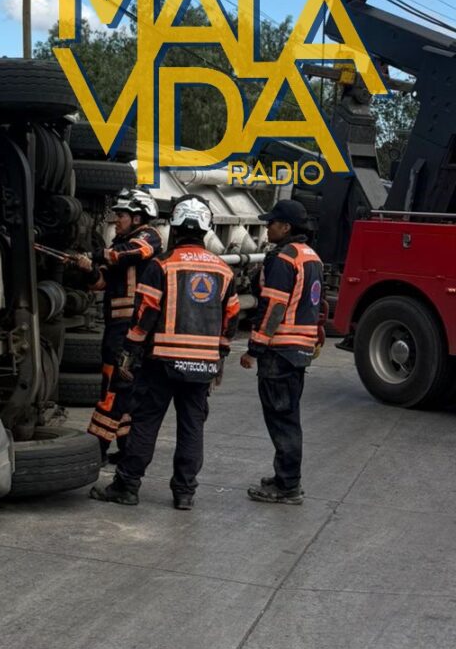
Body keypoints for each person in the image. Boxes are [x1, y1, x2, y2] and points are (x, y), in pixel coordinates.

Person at [92, 195, 240, 511]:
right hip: (202, 365)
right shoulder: (224, 271)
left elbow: (144, 314)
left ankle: (127, 486)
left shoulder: (163, 266)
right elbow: (231, 321)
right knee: (191, 427)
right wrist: (220, 358)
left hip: (160, 362)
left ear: (175, 227)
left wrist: (129, 352)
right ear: (206, 229)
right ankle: (184, 493)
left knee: (146, 423)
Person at [240, 199, 325, 505]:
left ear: (286, 227)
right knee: (286, 414)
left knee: (282, 418)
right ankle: (284, 477)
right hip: (298, 349)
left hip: (280, 350)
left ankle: (288, 485)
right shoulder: (310, 256)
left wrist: (254, 347)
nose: (266, 227)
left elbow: (274, 307)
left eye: (271, 223)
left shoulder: (284, 258)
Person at [76, 189, 163, 469]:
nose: (116, 219)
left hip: (130, 329)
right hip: (116, 328)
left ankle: (95, 448)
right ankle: (126, 448)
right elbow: (100, 284)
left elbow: (137, 252)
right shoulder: (120, 246)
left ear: (138, 217)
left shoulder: (148, 236)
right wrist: (88, 268)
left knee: (112, 389)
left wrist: (99, 254)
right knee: (123, 391)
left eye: (122, 215)